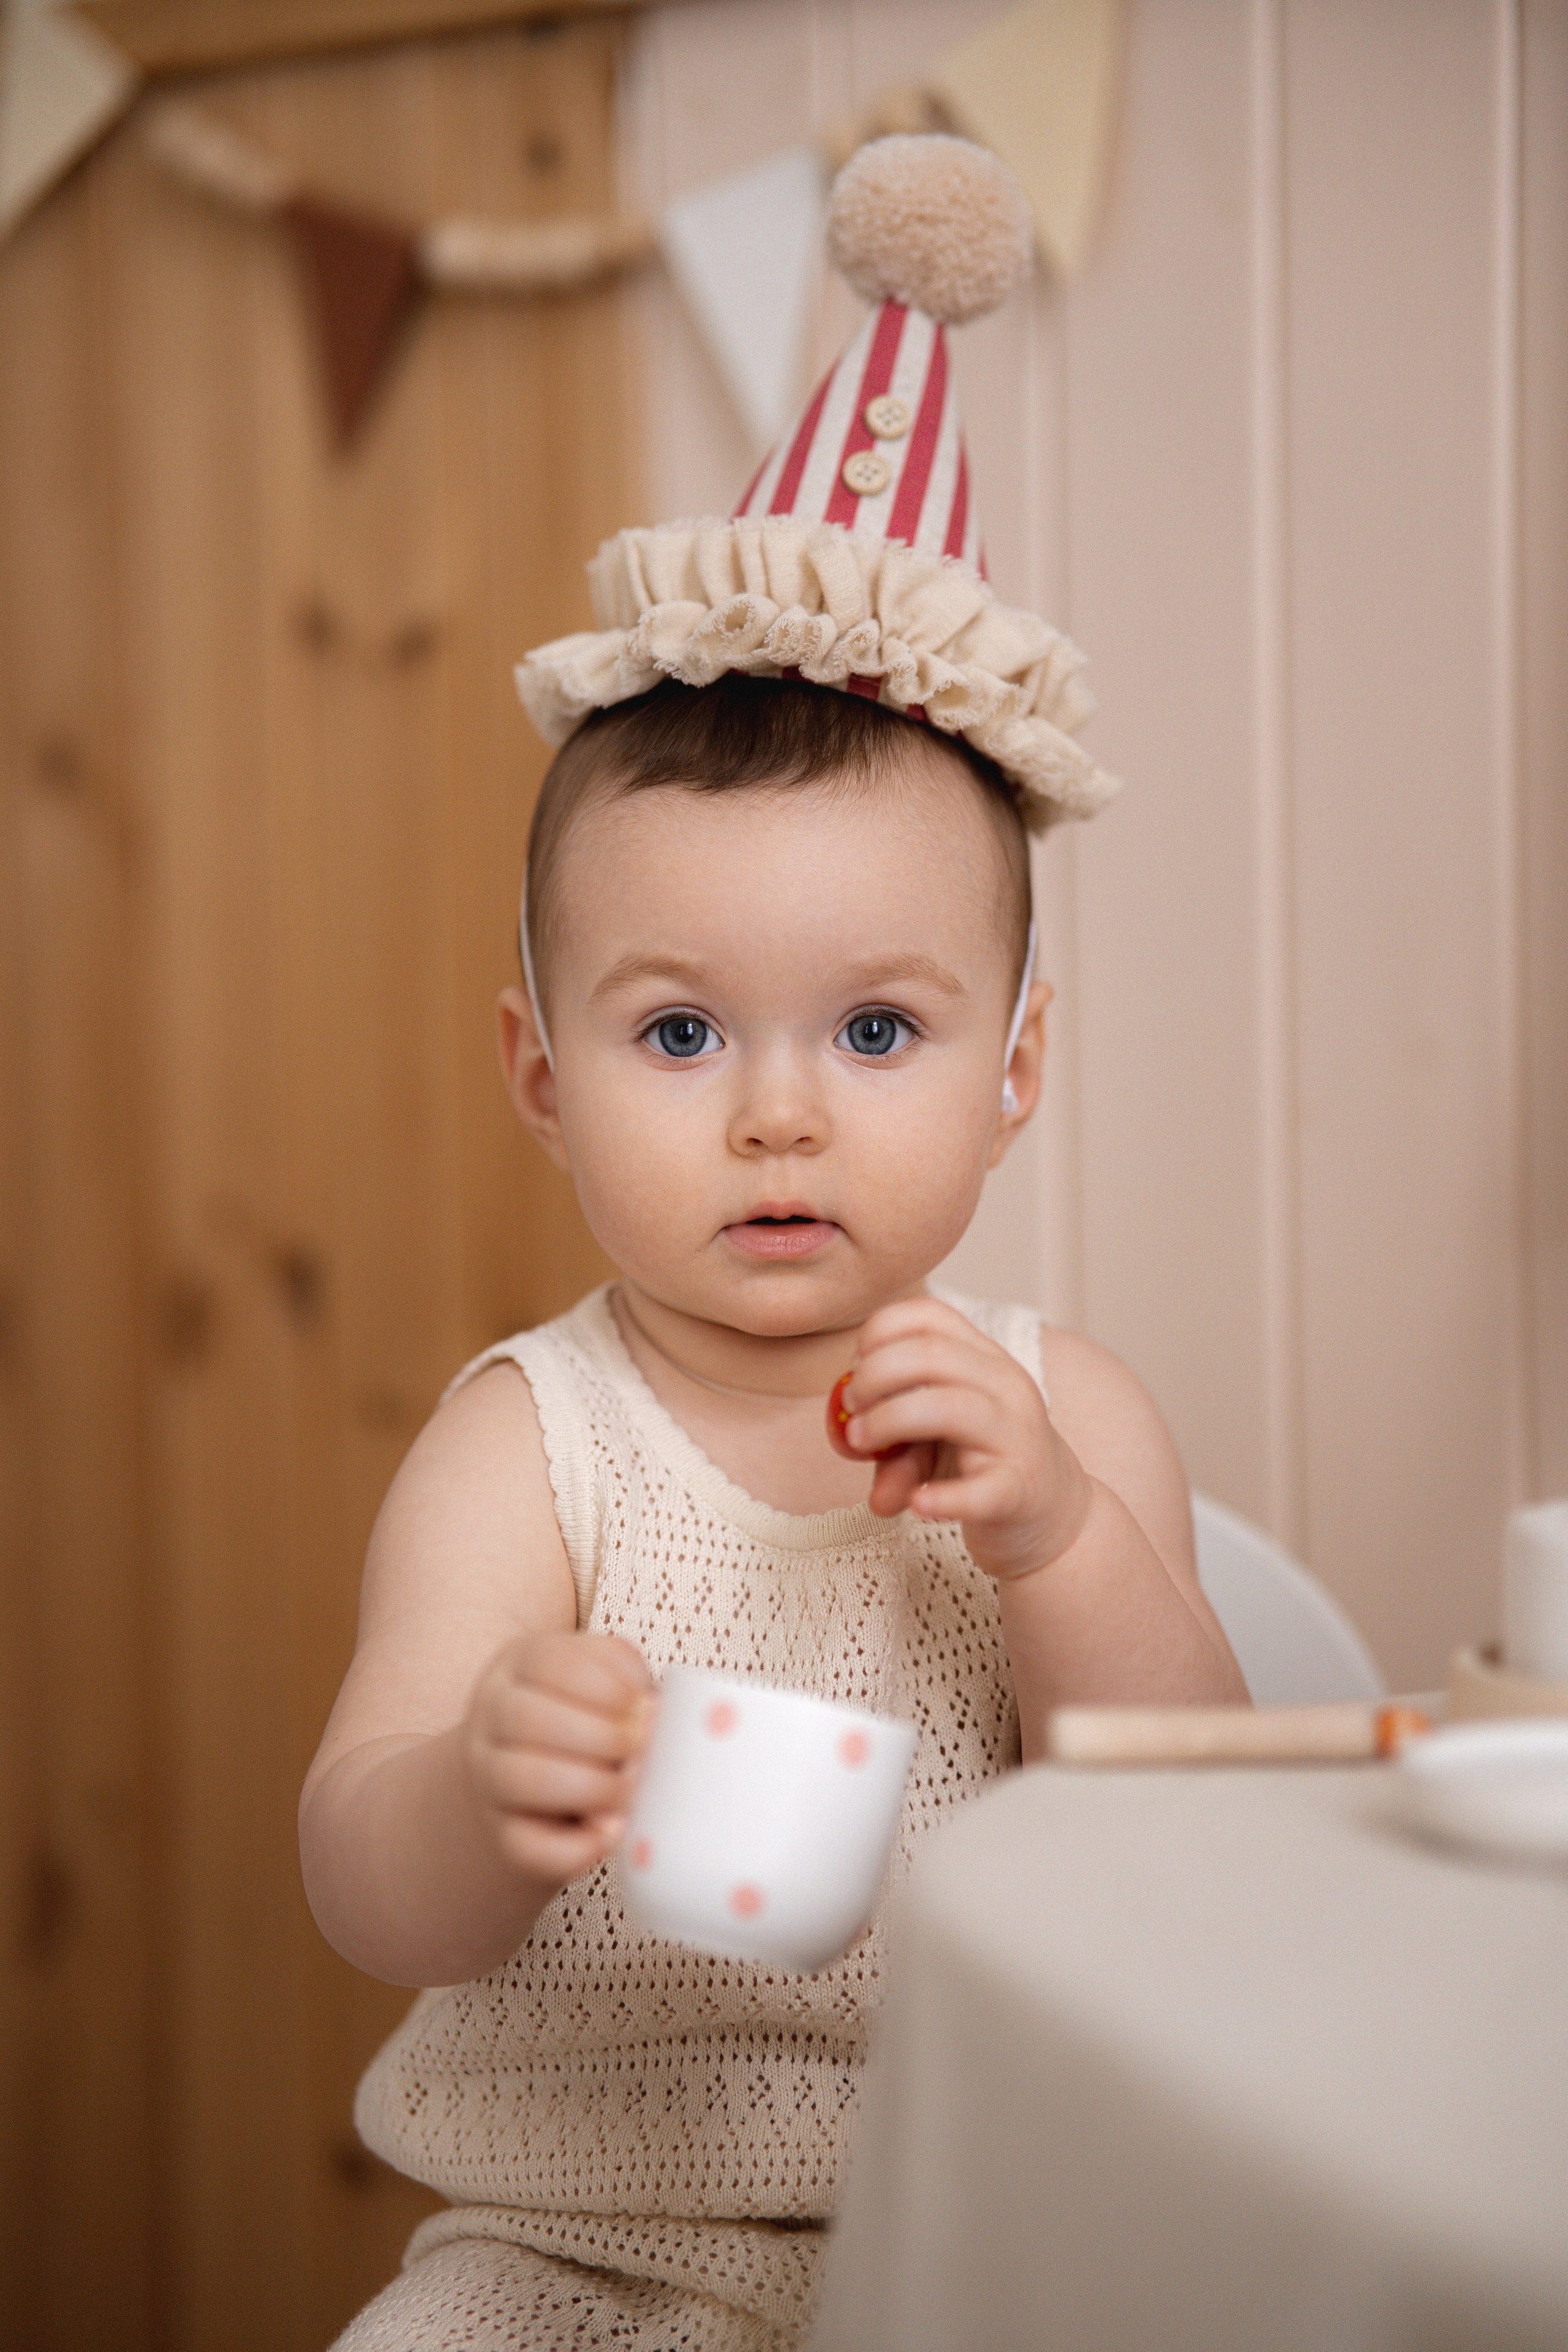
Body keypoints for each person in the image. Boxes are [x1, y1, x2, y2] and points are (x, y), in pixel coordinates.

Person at [303, 137, 1246, 2352]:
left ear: (1015, 1070)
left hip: (1007, 2247)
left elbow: (1203, 1813)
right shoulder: (529, 1448)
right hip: (575, 2256)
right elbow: (362, 1882)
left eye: (880, 1030)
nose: (778, 1112)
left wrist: (1057, 1534)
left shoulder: (1067, 1416)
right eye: (681, 1031)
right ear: (546, 1075)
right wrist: (477, 1792)